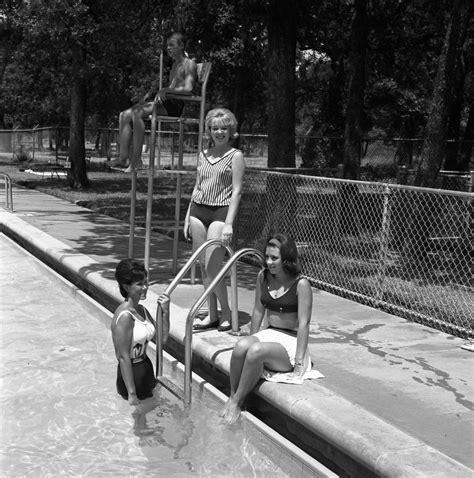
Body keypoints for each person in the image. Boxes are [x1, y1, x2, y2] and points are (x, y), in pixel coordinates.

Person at [220, 233, 313, 424]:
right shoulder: (263, 277)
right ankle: (232, 395)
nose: (269, 262)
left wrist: (299, 362)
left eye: (274, 258)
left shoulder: (301, 284)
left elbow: (304, 324)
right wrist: (252, 338)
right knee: (241, 346)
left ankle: (236, 402)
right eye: (267, 257)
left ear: (286, 259)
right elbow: (257, 311)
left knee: (256, 351)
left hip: (291, 342)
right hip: (269, 334)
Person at [184, 108, 245, 332]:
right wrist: (186, 216)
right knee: (202, 266)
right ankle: (211, 313)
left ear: (231, 131)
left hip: (220, 212)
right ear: (209, 130)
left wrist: (229, 222)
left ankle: (227, 312)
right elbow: (197, 186)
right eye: (215, 128)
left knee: (213, 266)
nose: (219, 132)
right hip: (198, 211)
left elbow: (237, 192)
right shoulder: (203, 154)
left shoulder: (235, 156)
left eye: (224, 128)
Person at [110, 32, 197, 172]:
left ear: (181, 46)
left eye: (172, 45)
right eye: (167, 45)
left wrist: (166, 90)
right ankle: (123, 158)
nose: (168, 48)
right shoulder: (175, 65)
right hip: (165, 102)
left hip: (175, 105)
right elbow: (169, 89)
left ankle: (136, 161)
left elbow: (188, 88)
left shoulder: (189, 64)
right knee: (123, 115)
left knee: (137, 114)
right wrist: (157, 93)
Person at [111, 259, 170, 405]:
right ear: (126, 287)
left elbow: (162, 341)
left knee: (152, 421)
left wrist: (166, 313)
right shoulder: (125, 316)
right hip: (132, 376)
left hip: (146, 369)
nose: (145, 287)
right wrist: (132, 393)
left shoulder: (142, 310)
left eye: (145, 282)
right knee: (140, 423)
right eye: (139, 284)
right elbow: (122, 357)